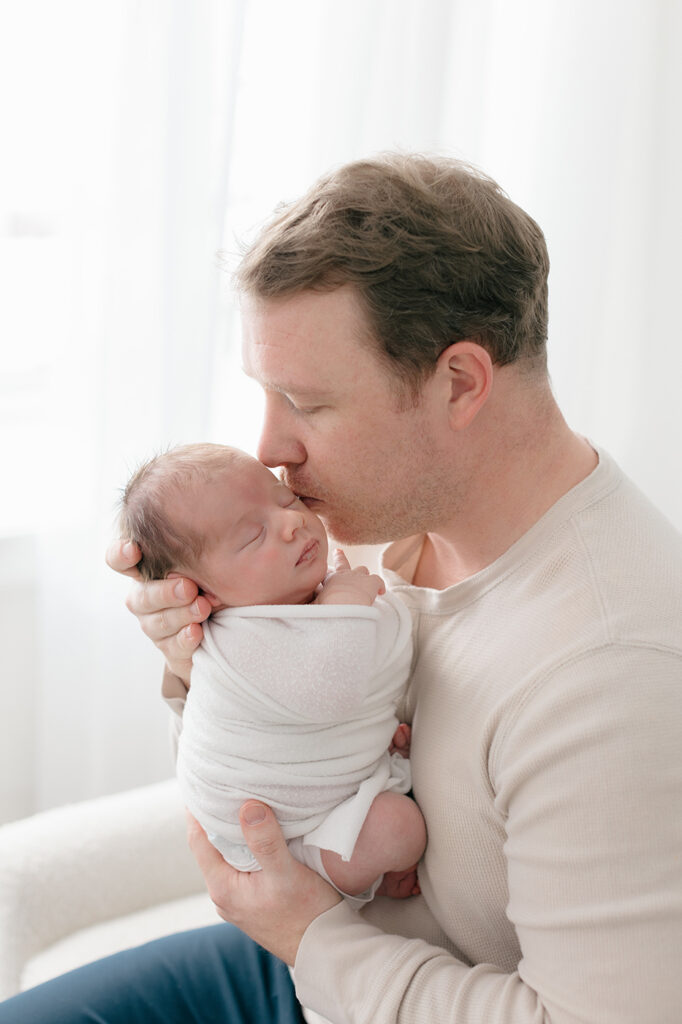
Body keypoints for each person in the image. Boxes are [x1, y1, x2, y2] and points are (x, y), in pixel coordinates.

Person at [2, 152, 681, 1023]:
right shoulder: (384, 525)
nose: (269, 450)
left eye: (307, 403)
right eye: (265, 395)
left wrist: (310, 936)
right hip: (315, 963)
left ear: (459, 383)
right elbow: (291, 776)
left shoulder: (611, 670)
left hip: (356, 969)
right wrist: (208, 658)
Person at [118, 442, 424, 906]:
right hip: (284, 836)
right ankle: (339, 871)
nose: (291, 522)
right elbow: (332, 688)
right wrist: (344, 603)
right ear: (201, 593)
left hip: (302, 805)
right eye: (253, 536)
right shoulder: (241, 638)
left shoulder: (287, 600)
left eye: (287, 499)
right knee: (400, 829)